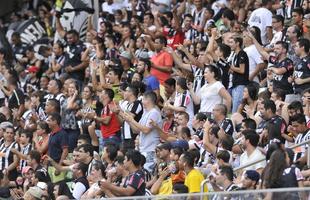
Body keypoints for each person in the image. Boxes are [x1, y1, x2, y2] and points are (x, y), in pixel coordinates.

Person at [123, 91, 162, 171]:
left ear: (148, 100)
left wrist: (132, 120)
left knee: (148, 172)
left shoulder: (154, 113)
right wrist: (129, 121)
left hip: (150, 149)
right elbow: (136, 130)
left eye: (143, 99)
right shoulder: (145, 113)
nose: (141, 101)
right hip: (143, 150)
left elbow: (146, 130)